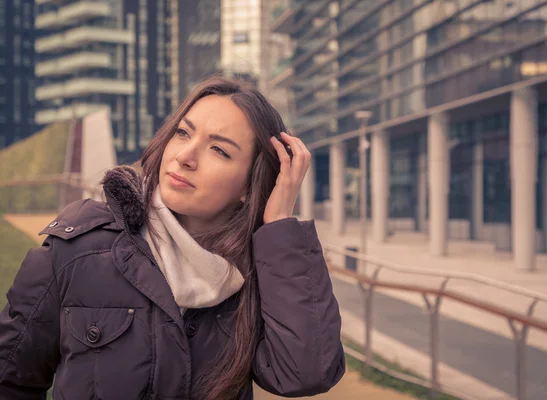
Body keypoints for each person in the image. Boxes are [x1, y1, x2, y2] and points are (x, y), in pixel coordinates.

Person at [0, 77, 345, 400]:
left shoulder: (256, 279)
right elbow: (10, 377)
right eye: (183, 133)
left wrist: (280, 226)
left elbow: (305, 372)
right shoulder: (80, 247)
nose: (185, 156)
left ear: (248, 185)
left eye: (219, 150)